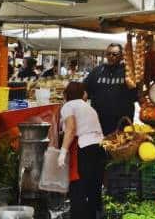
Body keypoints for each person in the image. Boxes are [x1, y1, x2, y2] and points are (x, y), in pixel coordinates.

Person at [58, 82, 104, 219]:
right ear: (83, 94)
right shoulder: (88, 107)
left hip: (84, 148)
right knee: (92, 186)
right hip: (99, 148)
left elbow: (71, 129)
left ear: (66, 95)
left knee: (78, 188)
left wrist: (63, 151)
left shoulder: (68, 106)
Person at [84, 44, 139, 135]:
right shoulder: (97, 71)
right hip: (99, 121)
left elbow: (136, 96)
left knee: (121, 147)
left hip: (122, 122)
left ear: (121, 55)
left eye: (114, 54)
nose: (110, 56)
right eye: (108, 54)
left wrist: (133, 88)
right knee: (100, 147)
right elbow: (85, 89)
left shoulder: (128, 72)